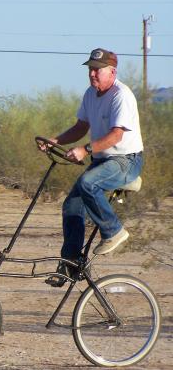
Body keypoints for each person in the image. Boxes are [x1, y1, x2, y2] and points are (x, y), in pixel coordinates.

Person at [39, 48, 144, 287]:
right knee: (72, 205)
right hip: (103, 162)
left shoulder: (121, 95)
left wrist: (84, 150)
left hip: (126, 160)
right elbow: (80, 128)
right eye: (90, 70)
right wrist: (54, 141)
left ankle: (114, 231)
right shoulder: (90, 94)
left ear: (112, 71)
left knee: (88, 183)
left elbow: (116, 136)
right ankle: (71, 262)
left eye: (97, 70)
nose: (93, 75)